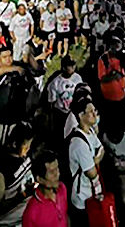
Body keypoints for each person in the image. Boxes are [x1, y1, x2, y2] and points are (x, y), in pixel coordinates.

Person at [0, 122, 36, 226]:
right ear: (14, 144)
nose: (28, 149)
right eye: (26, 146)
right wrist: (23, 195)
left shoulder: (24, 156)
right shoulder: (1, 172)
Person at [67, 96, 104, 227]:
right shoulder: (79, 144)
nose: (95, 114)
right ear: (81, 115)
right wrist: (96, 161)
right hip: (82, 198)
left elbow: (101, 149)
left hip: (91, 192)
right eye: (91, 112)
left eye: (95, 110)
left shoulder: (90, 132)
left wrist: (95, 159)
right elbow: (92, 172)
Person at [22, 150, 68, 227]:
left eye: (57, 169)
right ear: (39, 179)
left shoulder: (62, 188)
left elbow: (65, 216)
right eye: (52, 172)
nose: (57, 174)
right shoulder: (32, 213)